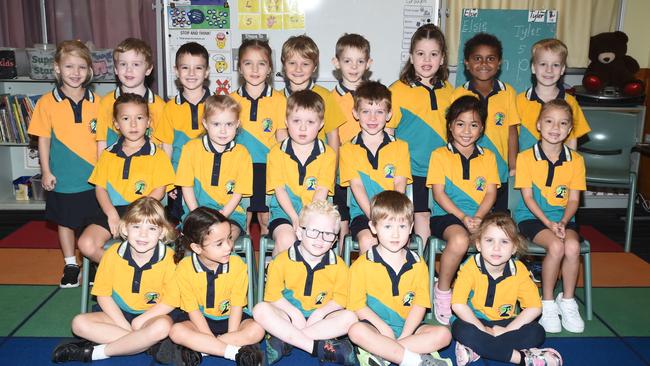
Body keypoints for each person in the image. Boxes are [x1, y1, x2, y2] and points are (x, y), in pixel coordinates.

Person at [51, 197, 178, 363]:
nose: (143, 234)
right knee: (79, 323)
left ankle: (94, 353)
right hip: (118, 315)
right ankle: (147, 344)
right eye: (137, 226)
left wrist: (142, 319)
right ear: (125, 229)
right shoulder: (111, 254)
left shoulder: (170, 259)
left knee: (163, 327)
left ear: (162, 232)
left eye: (152, 228)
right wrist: (124, 325)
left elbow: (171, 301)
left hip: (152, 317)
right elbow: (103, 295)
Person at [347, 191, 452, 366]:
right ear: (373, 227)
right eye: (388, 227)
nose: (395, 234)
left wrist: (405, 334)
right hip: (376, 328)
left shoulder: (418, 264)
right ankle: (415, 360)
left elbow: (420, 305)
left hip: (409, 329)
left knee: (445, 335)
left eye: (402, 227)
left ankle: (384, 355)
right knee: (356, 331)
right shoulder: (361, 265)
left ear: (411, 228)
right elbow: (357, 306)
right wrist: (384, 329)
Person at [27, 40, 101, 288]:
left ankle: (93, 264)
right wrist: (46, 171)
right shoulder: (46, 103)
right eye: (69, 66)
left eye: (81, 67)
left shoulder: (98, 103)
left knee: (94, 223)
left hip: (94, 178)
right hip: (63, 178)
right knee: (66, 222)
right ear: (57, 68)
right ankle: (71, 264)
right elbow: (43, 140)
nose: (75, 72)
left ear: (89, 70)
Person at [252, 200, 357, 365]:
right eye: (313, 231)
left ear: (335, 240)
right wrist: (294, 313)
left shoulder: (339, 266)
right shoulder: (280, 261)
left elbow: (341, 299)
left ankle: (287, 341)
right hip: (288, 316)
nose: (320, 239)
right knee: (260, 310)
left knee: (350, 317)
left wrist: (320, 313)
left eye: (328, 234)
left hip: (322, 320)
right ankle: (318, 348)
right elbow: (272, 296)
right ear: (300, 233)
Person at [451, 213, 562, 366]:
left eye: (504, 242)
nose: (496, 248)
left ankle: (477, 349)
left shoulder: (519, 270)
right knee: (460, 329)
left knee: (537, 332)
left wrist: (507, 330)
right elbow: (458, 305)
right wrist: (482, 330)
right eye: (489, 240)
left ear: (514, 248)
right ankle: (523, 358)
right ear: (478, 244)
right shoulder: (470, 267)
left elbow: (534, 307)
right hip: (475, 321)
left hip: (506, 324)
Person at [514, 99, 586, 334]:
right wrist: (549, 224)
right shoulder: (525, 158)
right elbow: (528, 198)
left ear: (569, 130)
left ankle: (567, 301)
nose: (555, 128)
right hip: (532, 218)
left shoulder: (576, 160)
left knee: (573, 247)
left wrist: (563, 222)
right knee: (556, 247)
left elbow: (574, 200)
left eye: (563, 123)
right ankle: (546, 303)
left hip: (564, 218)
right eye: (549, 121)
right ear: (538, 124)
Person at [426, 96, 499, 325]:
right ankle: (443, 290)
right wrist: (462, 217)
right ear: (450, 125)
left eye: (474, 125)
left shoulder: (488, 157)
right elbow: (439, 194)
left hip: (479, 216)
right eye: (460, 123)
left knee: (498, 239)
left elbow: (490, 193)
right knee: (458, 240)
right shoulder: (438, 154)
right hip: (447, 216)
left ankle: (484, 297)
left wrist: (477, 217)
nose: (466, 131)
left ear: (482, 129)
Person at [78, 93, 175, 263]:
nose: (133, 124)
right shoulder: (107, 154)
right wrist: (111, 214)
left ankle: (141, 271)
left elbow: (160, 189)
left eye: (139, 118)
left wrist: (133, 216)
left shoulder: (158, 155)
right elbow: (100, 188)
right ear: (116, 124)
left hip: (145, 212)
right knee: (86, 244)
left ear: (148, 122)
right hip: (113, 211)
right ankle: (124, 269)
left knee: (146, 245)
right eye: (125, 118)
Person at [169, 207, 264, 366]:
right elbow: (192, 310)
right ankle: (233, 352)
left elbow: (236, 305)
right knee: (176, 331)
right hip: (199, 320)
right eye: (219, 243)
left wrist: (224, 337)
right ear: (197, 248)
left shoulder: (237, 265)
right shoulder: (184, 269)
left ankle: (201, 349)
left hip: (230, 319)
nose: (228, 247)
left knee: (257, 330)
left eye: (229, 238)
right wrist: (219, 341)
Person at [387, 23, 454, 245]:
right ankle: (416, 269)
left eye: (433, 54)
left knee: (438, 219)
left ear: (442, 58)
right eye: (421, 54)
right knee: (412, 218)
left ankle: (427, 271)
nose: (427, 60)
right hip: (410, 170)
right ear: (411, 57)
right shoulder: (397, 91)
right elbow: (388, 132)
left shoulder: (449, 92)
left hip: (441, 171)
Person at [339, 81, 411, 254]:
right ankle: (372, 281)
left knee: (401, 245)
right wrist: (376, 218)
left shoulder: (400, 147)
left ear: (388, 115)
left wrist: (391, 218)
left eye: (379, 112)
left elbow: (399, 186)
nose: (372, 118)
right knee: (367, 240)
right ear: (356, 113)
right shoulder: (348, 149)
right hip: (365, 215)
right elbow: (357, 187)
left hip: (396, 215)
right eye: (366, 112)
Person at [452, 33, 521, 212]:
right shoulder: (458, 94)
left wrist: (513, 166)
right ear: (467, 63)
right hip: (470, 174)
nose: (484, 64)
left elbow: (512, 131)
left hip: (501, 172)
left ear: (499, 63)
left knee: (499, 222)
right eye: (477, 58)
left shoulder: (508, 93)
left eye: (490, 59)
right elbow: (452, 133)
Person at [266, 90, 337, 255]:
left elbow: (321, 190)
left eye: (310, 122)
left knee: (314, 241)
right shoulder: (276, 152)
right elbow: (279, 190)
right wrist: (295, 218)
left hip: (315, 213)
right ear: (286, 122)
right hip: (284, 212)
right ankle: (277, 276)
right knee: (287, 239)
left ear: (320, 124)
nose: (303, 128)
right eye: (296, 121)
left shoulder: (328, 154)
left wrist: (307, 220)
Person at [175, 94, 252, 241]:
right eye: (216, 124)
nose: (223, 131)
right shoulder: (190, 149)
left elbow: (239, 192)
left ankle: (226, 263)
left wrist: (222, 215)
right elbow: (187, 186)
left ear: (237, 124)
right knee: (197, 239)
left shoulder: (242, 154)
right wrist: (198, 215)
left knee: (227, 236)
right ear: (205, 123)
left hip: (231, 214)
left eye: (229, 124)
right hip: (196, 211)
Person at [231, 38, 286, 237]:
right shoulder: (231, 100)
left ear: (270, 68)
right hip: (238, 168)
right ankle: (243, 267)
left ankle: (266, 266)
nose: (255, 69)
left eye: (261, 64)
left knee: (266, 221)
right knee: (240, 219)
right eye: (248, 63)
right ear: (239, 67)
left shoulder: (280, 100)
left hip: (268, 168)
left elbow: (281, 138)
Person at [155, 42, 212, 221]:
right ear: (176, 71)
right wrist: (169, 182)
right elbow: (166, 149)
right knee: (180, 224)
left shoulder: (216, 105)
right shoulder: (170, 108)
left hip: (208, 176)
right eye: (185, 67)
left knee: (206, 221)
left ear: (207, 71)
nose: (192, 73)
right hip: (179, 179)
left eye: (198, 68)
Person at [330, 33, 373, 249]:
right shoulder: (330, 99)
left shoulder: (375, 96)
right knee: (341, 224)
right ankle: (339, 268)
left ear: (369, 63)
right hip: (338, 173)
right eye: (347, 61)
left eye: (360, 61)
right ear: (336, 63)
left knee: (365, 223)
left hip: (367, 174)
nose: (354, 67)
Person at [516, 39, 590, 152]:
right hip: (527, 167)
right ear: (533, 68)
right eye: (543, 64)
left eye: (555, 65)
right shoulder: (519, 101)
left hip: (558, 167)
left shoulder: (570, 102)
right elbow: (512, 138)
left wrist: (569, 165)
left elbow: (572, 139)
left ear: (562, 70)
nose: (549, 70)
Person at [95, 38, 165, 156]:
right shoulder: (106, 103)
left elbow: (163, 146)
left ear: (148, 69)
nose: (129, 70)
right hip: (115, 171)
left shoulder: (160, 106)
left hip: (148, 170)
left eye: (136, 64)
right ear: (116, 69)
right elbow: (102, 142)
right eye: (123, 64)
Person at [280, 35, 345, 152]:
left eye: (305, 64)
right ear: (284, 65)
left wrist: (332, 169)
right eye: (292, 63)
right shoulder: (276, 99)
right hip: (286, 167)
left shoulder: (325, 96)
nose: (298, 69)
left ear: (314, 67)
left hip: (319, 166)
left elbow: (333, 137)